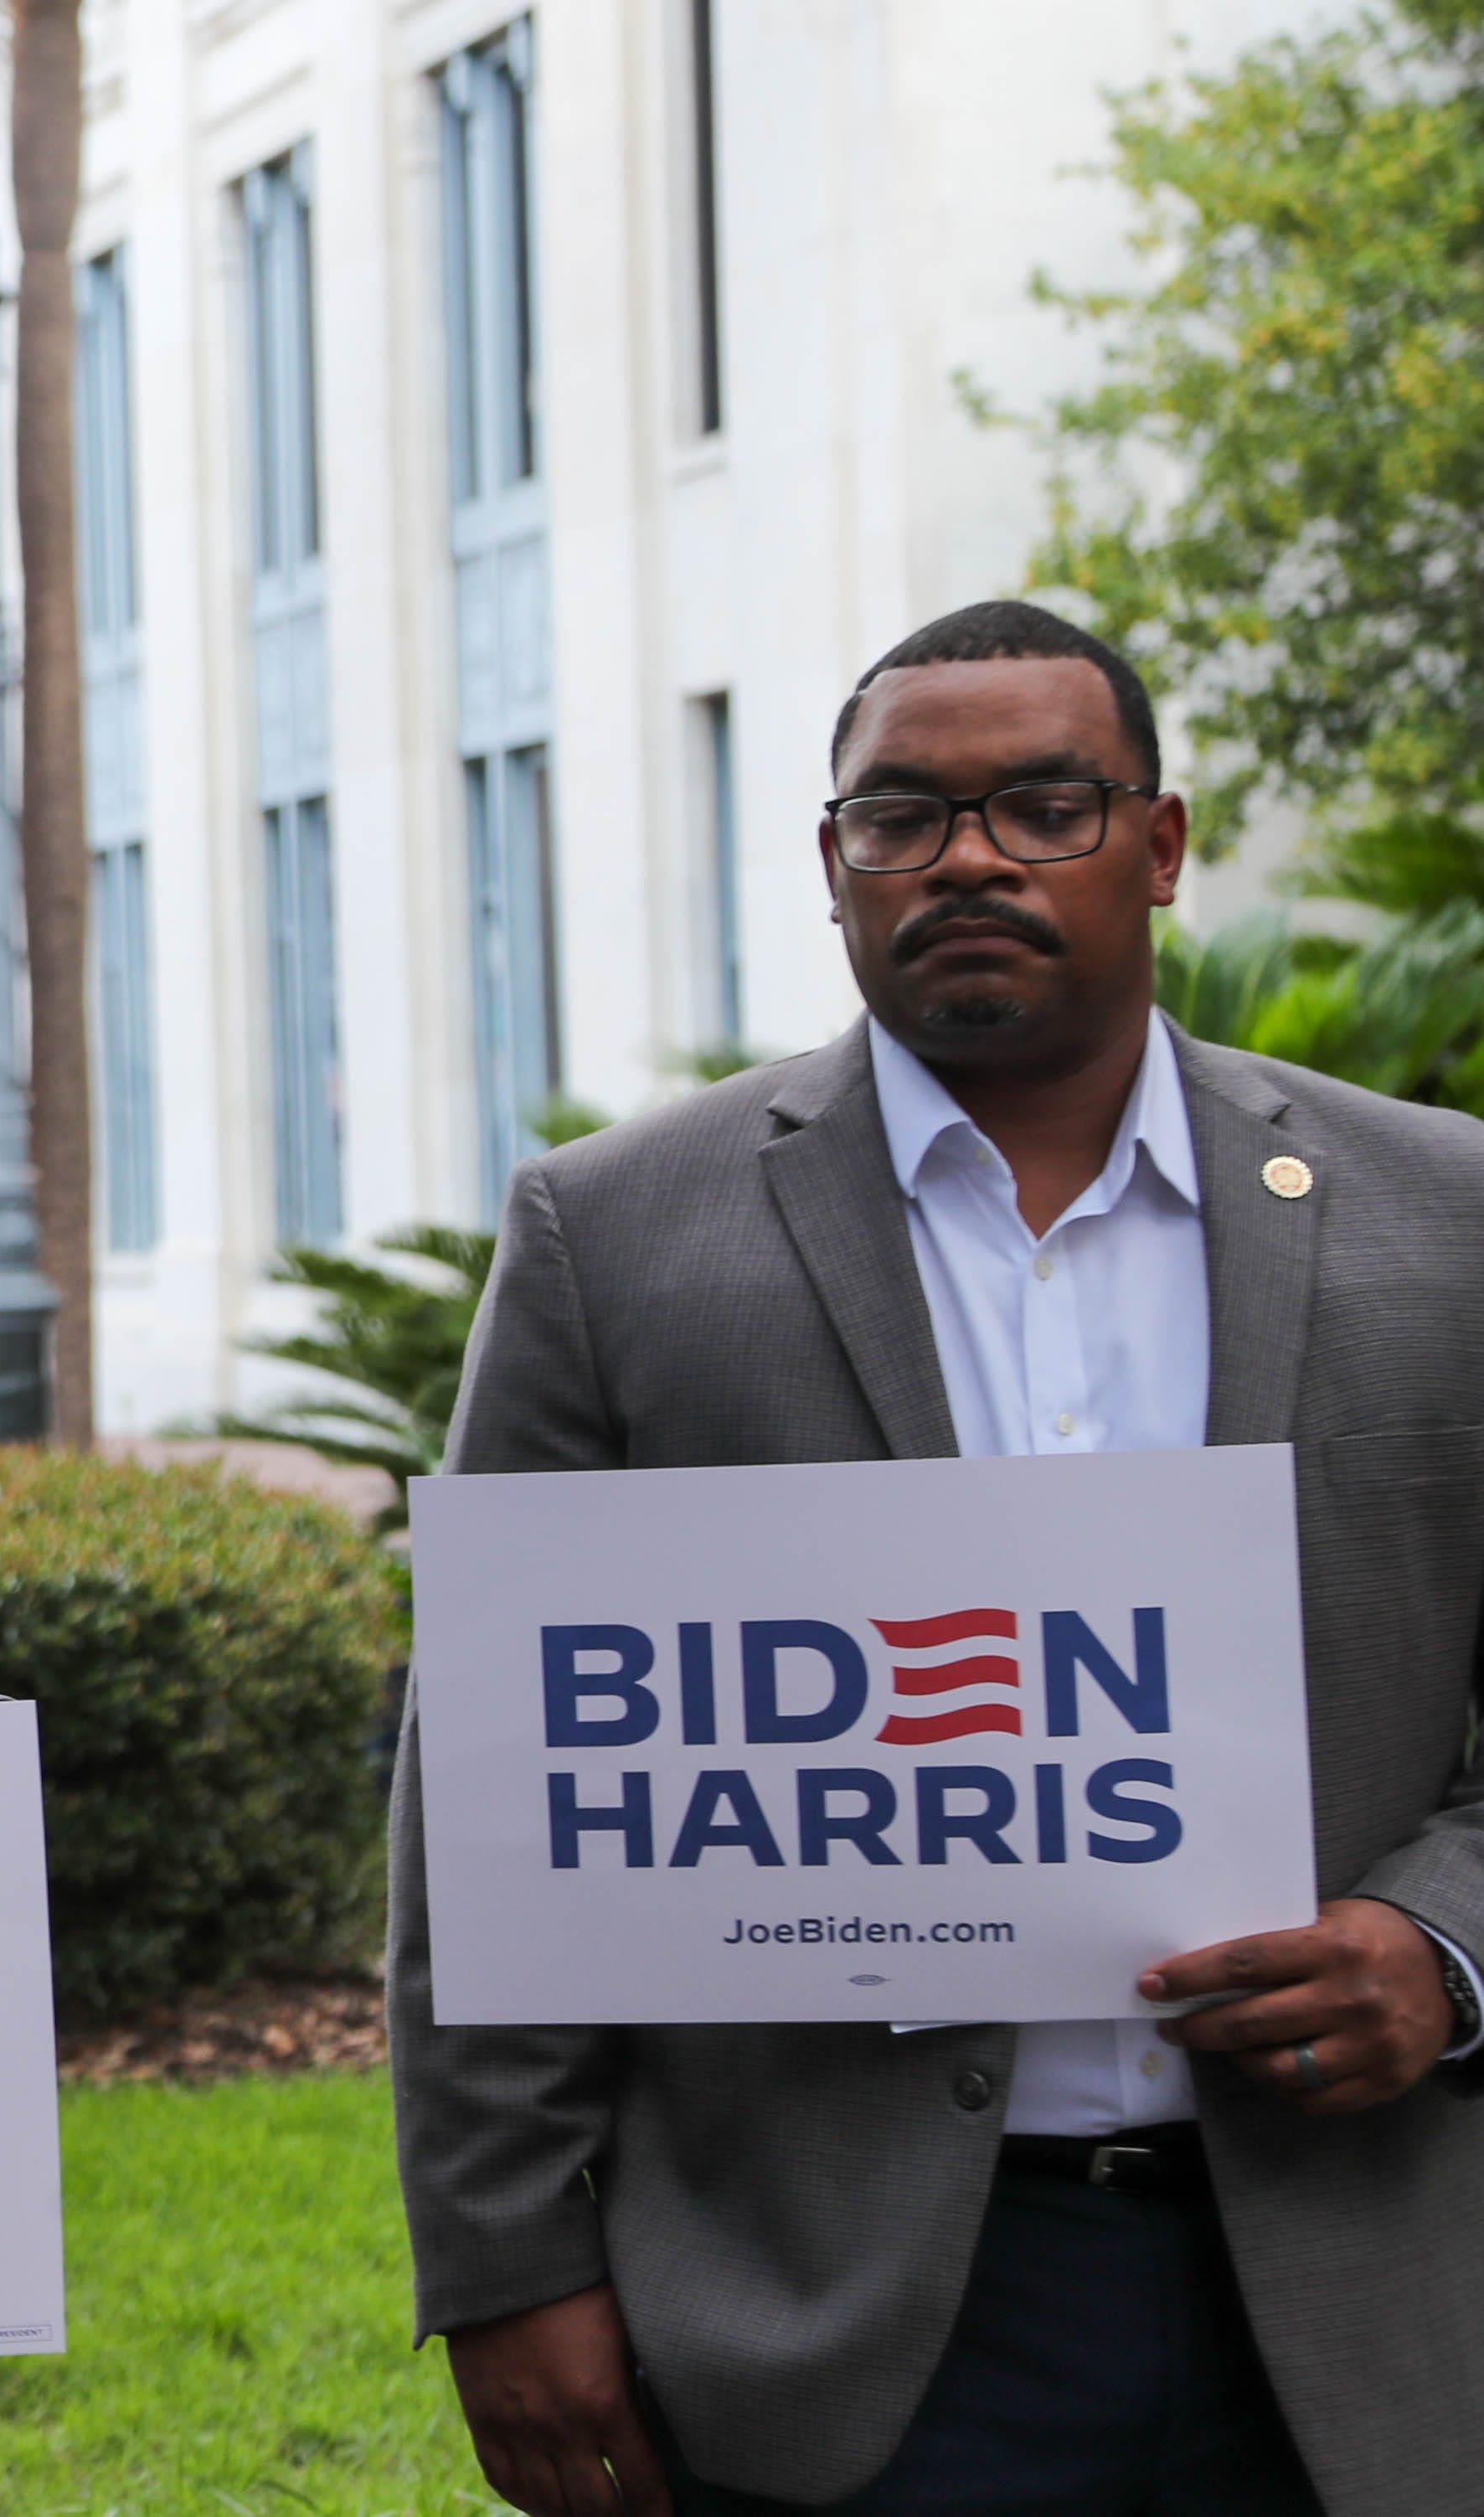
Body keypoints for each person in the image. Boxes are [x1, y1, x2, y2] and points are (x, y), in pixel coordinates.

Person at [392, 601, 1484, 2517]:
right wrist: (510, 2265)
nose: (967, 854)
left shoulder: (1445, 1219)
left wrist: (1446, 1943)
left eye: (1040, 803)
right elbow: (489, 1797)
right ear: (832, 869)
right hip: (836, 2320)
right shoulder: (613, 1237)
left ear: (1157, 847)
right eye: (900, 814)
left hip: (1346, 2287)